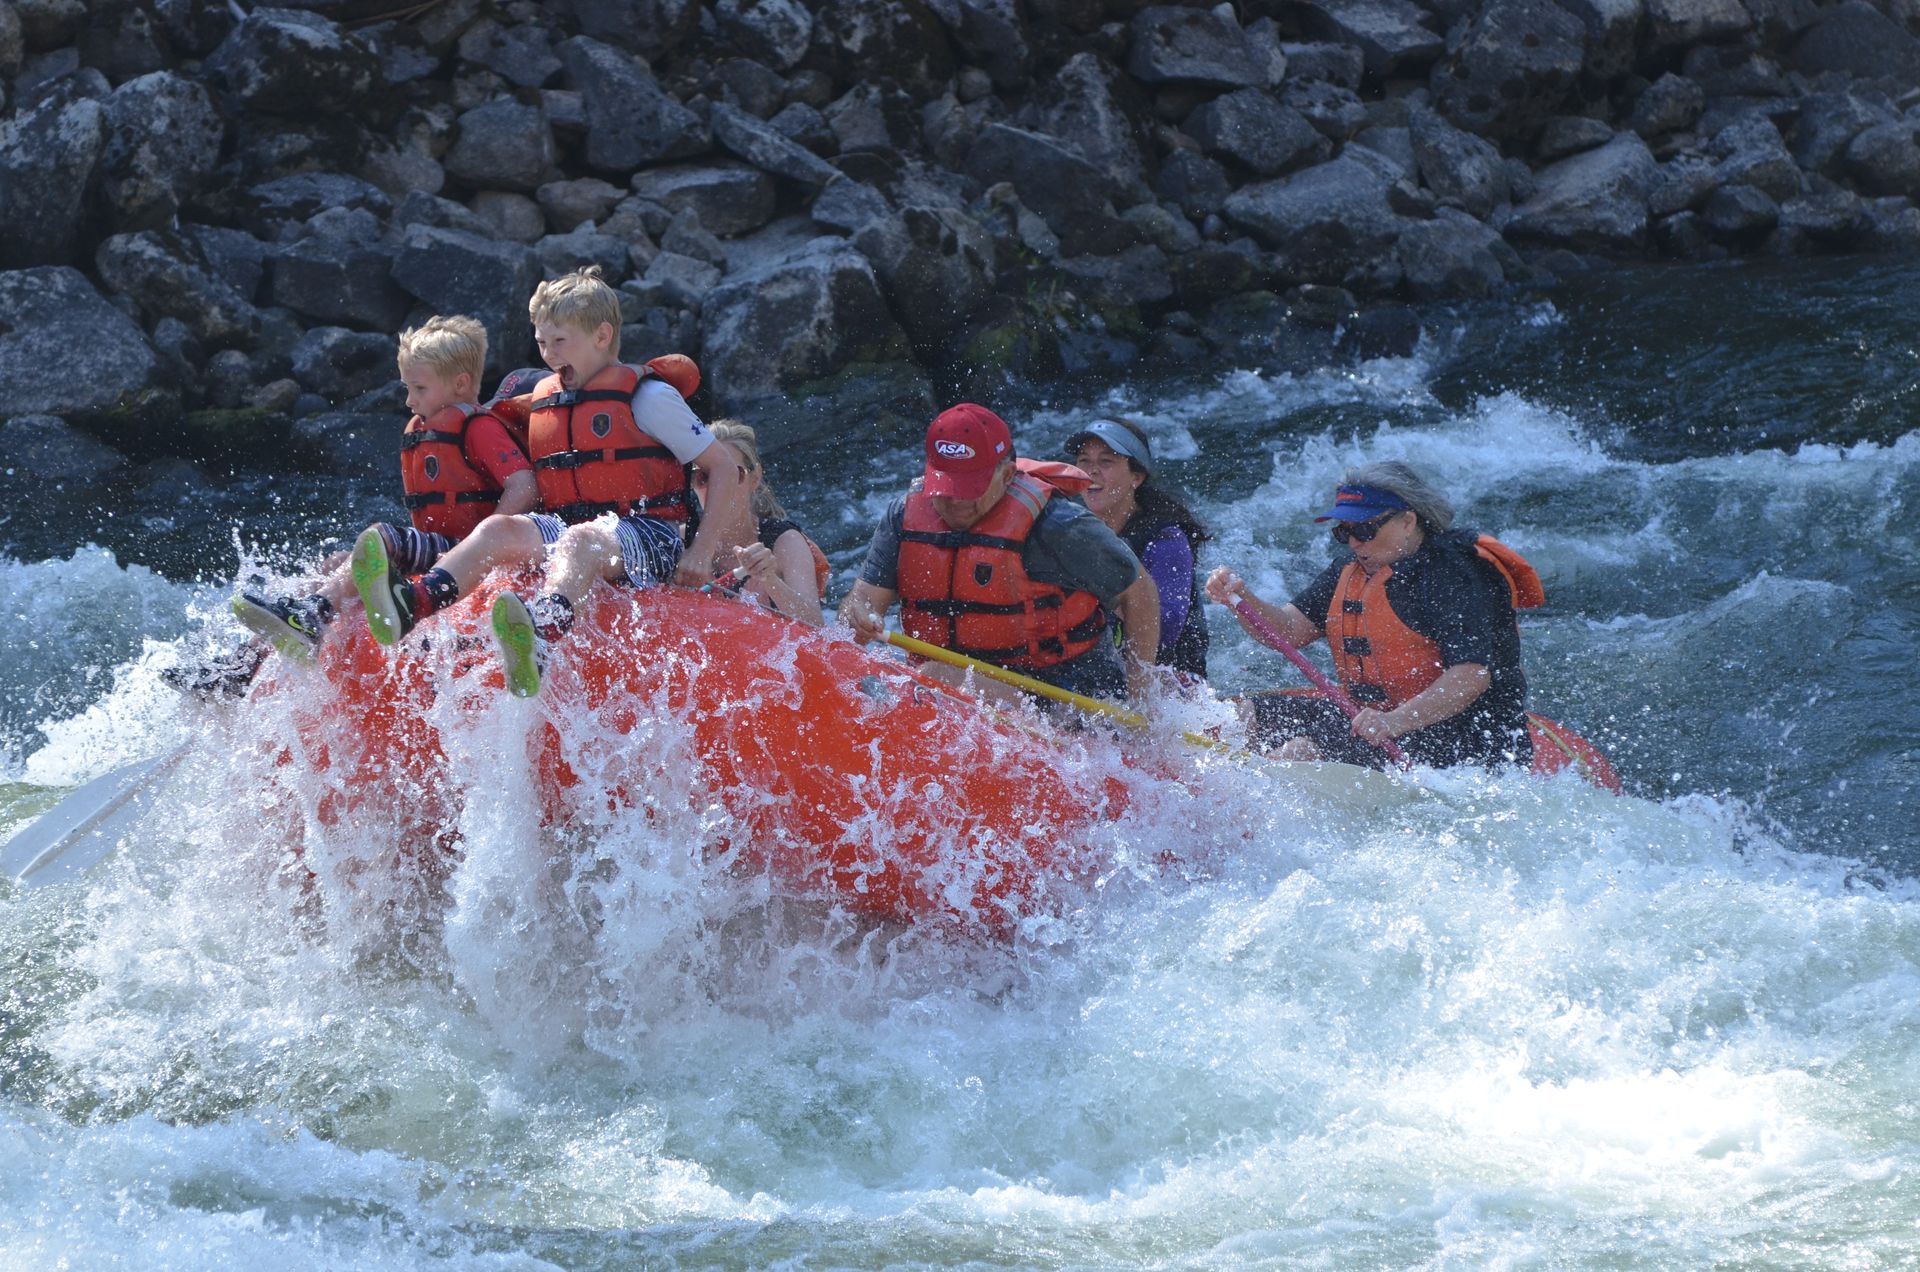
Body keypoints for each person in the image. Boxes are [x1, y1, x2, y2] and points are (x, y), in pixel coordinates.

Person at [350, 266, 747, 697]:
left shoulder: (649, 398)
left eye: (560, 341)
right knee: (498, 529)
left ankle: (541, 632)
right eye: (541, 342)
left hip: (649, 533)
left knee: (582, 542)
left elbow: (723, 466)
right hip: (574, 526)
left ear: (601, 336)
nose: (549, 354)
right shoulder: (546, 400)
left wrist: (702, 551)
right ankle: (414, 603)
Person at [229, 316, 538, 660]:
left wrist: (481, 543)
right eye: (408, 387)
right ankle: (244, 662)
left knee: (383, 538)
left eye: (419, 388)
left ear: (460, 384)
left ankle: (313, 615)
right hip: (435, 549)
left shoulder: (479, 428)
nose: (409, 400)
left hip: (461, 551)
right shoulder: (426, 428)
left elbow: (523, 485)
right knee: (338, 563)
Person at [1205, 460, 1542, 768]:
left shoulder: (1453, 575)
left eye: (1364, 531)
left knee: (1299, 753)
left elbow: (1472, 675)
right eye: (1343, 532)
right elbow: (1289, 631)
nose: (1354, 543)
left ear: (1408, 521)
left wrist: (1394, 722)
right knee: (1237, 715)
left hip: (1464, 742)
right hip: (1375, 723)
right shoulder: (1351, 570)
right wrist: (1241, 598)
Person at [839, 402, 1161, 711]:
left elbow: (1139, 592)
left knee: (937, 678)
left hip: (1066, 695)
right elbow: (858, 607)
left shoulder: (1057, 526)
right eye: (946, 485)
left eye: (969, 487)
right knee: (889, 682)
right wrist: (859, 615)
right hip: (955, 686)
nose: (955, 501)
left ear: (1007, 476)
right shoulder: (901, 517)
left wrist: (1141, 700)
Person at [1064, 416, 1211, 680]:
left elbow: (1164, 632)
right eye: (1084, 460)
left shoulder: (1167, 541)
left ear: (1136, 477)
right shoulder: (1067, 531)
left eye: (1106, 461)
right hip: (1101, 674)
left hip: (1170, 680)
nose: (1091, 471)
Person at [697, 420, 827, 625]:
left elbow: (817, 629)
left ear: (755, 478)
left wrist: (771, 580)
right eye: (704, 476)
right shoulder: (677, 542)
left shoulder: (785, 542)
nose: (718, 486)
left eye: (732, 473)